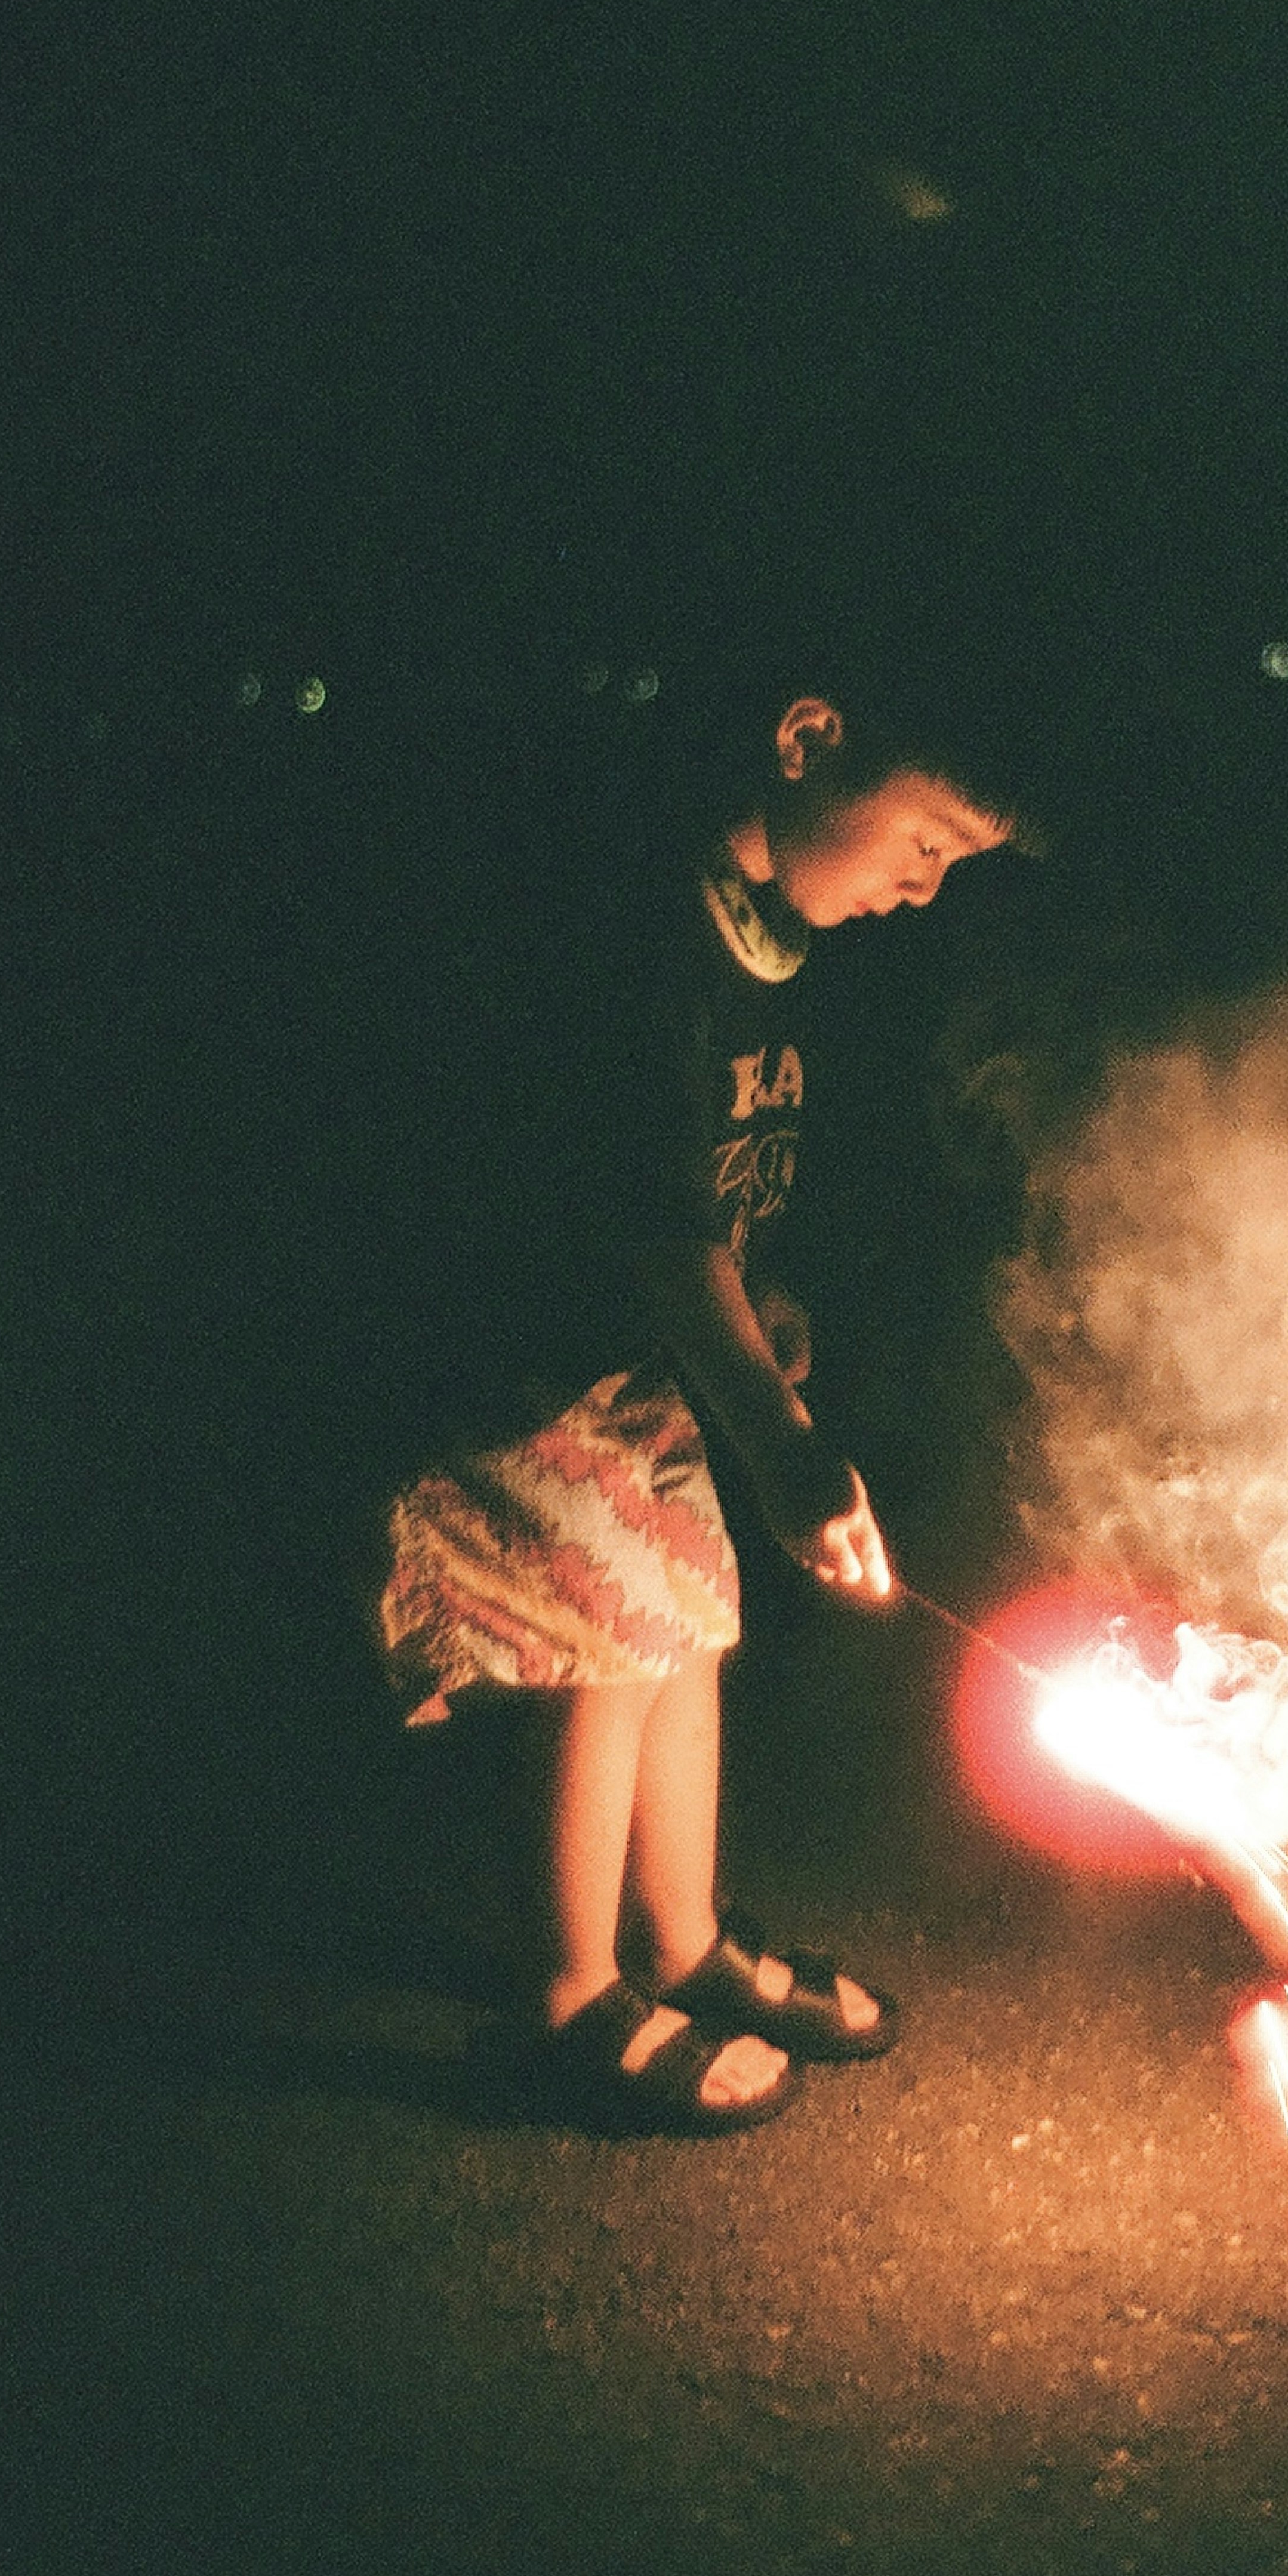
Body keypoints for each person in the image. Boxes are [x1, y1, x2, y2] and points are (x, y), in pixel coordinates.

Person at [374, 676, 1031, 2134]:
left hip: (646, 1355)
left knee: (688, 1626)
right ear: (808, 744)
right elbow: (649, 1218)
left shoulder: (767, 937)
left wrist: (759, 1317)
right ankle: (571, 1993)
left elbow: (712, 1204)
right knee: (606, 1636)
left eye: (952, 870)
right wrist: (787, 1447)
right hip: (540, 1353)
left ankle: (685, 1945)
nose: (922, 893)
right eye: (922, 843)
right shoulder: (639, 927)